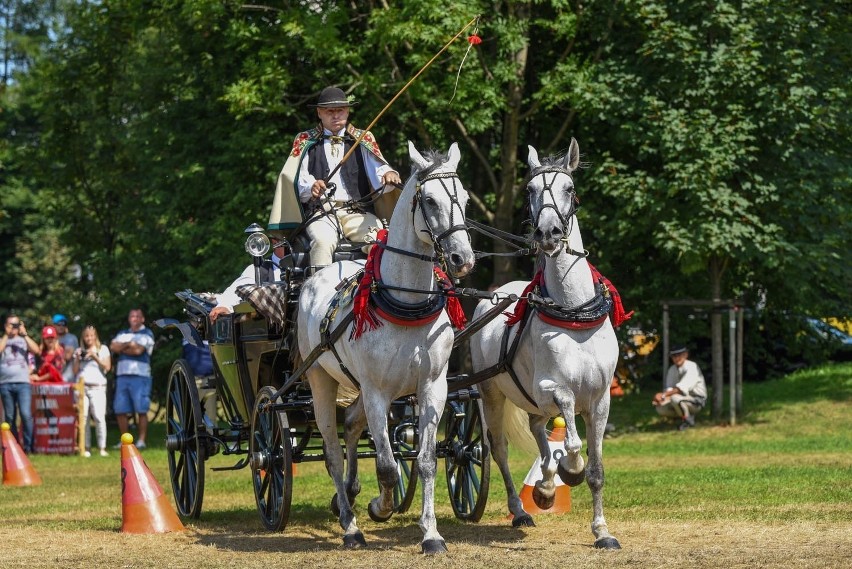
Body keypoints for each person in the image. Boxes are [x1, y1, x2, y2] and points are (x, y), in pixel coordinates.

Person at [273, 86, 402, 270]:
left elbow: (378, 169)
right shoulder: (305, 140)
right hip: (321, 213)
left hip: (357, 213)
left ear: (347, 111)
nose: (335, 116)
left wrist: (389, 174)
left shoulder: (363, 138)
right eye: (329, 111)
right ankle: (319, 293)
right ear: (319, 113)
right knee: (322, 242)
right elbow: (297, 178)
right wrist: (312, 186)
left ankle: (377, 292)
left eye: (340, 110)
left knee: (382, 241)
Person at [209, 238, 286, 322]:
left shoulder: (302, 269)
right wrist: (225, 305)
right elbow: (237, 290)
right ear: (275, 241)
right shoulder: (257, 269)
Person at [110, 308, 155, 449]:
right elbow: (113, 347)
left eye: (137, 316)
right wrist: (129, 344)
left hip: (140, 376)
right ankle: (125, 440)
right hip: (122, 375)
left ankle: (141, 441)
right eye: (132, 316)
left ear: (142, 319)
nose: (134, 318)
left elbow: (138, 351)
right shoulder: (123, 333)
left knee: (141, 409)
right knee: (120, 410)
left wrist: (123, 347)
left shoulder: (147, 333)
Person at [0, 314, 42, 453]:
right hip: (5, 383)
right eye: (11, 324)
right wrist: (6, 335)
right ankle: (14, 447)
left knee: (25, 414)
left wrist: (25, 334)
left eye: (16, 324)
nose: (14, 327)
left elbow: (37, 350)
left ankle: (29, 448)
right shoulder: (3, 340)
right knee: (10, 417)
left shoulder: (23, 340)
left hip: (23, 383)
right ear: (6, 326)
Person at [73, 325, 111, 457]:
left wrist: (94, 356)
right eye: (86, 336)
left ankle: (102, 448)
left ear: (95, 336)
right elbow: (75, 371)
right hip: (83, 388)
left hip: (98, 387)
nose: (89, 338)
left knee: (99, 417)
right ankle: (86, 447)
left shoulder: (103, 349)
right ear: (83, 338)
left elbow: (107, 367)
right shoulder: (79, 350)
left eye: (91, 335)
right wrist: (78, 358)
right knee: (83, 419)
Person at [652, 345, 708, 430]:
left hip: (696, 400)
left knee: (675, 399)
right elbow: (669, 389)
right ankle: (685, 417)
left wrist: (663, 395)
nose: (677, 358)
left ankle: (687, 422)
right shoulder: (672, 369)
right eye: (674, 356)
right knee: (660, 408)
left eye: (679, 355)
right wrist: (661, 399)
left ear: (686, 355)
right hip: (682, 398)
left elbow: (681, 388)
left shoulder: (691, 366)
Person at [51, 314, 79, 382]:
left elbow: (67, 356)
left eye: (64, 324)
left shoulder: (71, 338)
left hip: (68, 377)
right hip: (52, 376)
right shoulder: (50, 338)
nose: (61, 326)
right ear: (53, 325)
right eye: (58, 324)